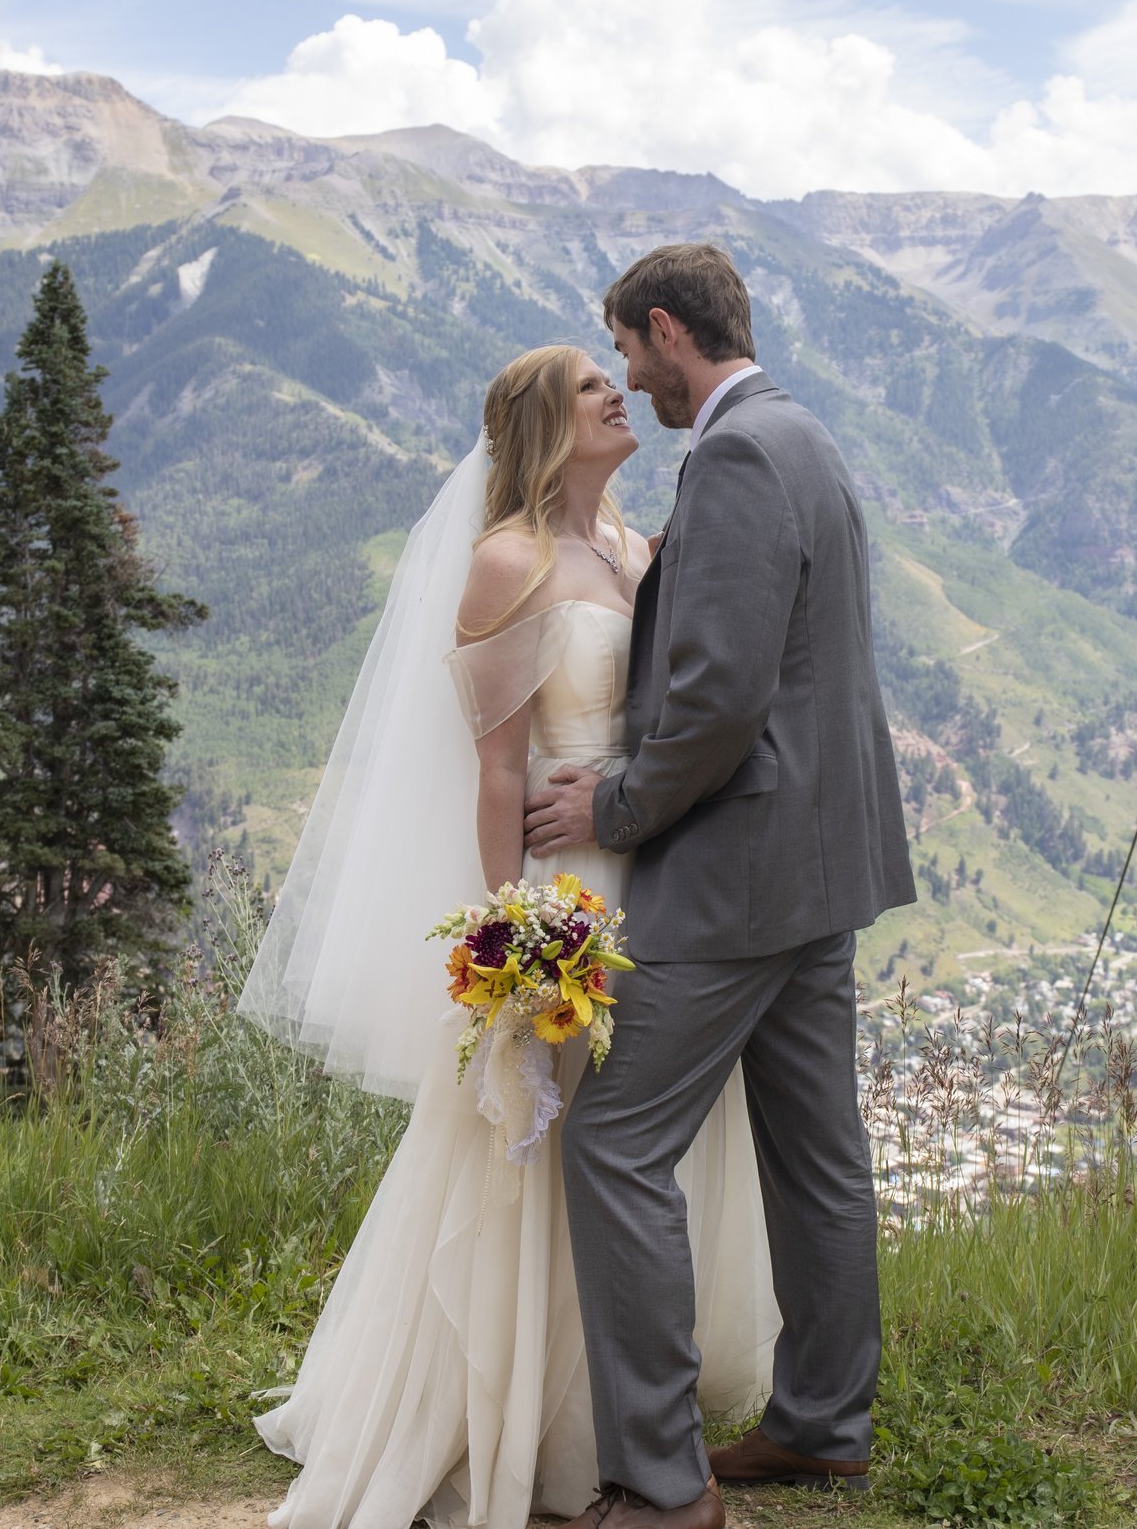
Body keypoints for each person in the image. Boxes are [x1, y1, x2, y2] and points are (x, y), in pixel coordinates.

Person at [239, 344, 777, 1528]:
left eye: (616, 377)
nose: (618, 394)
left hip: (655, 879)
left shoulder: (638, 548)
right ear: (546, 422)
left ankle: (619, 1401)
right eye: (595, 386)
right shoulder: (506, 562)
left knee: (631, 1147)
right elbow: (494, 769)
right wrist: (513, 934)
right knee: (536, 1140)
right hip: (563, 888)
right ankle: (504, 1413)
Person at [521, 244, 916, 1527]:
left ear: (662, 330)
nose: (631, 381)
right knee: (818, 1153)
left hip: (741, 869)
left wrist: (617, 805)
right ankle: (822, 1423)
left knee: (616, 1139)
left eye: (630, 355)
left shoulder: (738, 455)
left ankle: (660, 1478)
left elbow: (719, 696)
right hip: (823, 862)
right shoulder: (802, 434)